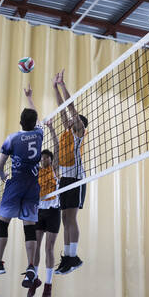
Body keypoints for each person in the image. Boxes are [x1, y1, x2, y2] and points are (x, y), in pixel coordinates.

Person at [0, 84, 43, 290]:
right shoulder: (39, 134)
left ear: (20, 122)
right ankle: (31, 267)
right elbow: (35, 115)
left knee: (2, 223)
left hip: (15, 183)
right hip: (33, 185)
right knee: (30, 228)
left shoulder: (12, 138)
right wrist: (30, 98)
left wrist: (3, 177)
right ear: (34, 122)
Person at [52, 70, 88, 275]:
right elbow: (62, 108)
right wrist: (53, 87)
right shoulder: (67, 132)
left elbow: (71, 107)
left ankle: (73, 256)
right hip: (64, 179)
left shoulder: (78, 133)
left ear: (79, 126)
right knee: (65, 218)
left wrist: (63, 85)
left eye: (73, 122)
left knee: (71, 218)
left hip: (76, 179)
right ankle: (68, 258)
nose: (68, 121)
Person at [28, 120, 60, 297]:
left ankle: (48, 285)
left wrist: (50, 128)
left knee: (49, 248)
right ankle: (34, 281)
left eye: (46, 157)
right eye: (42, 158)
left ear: (51, 159)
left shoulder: (55, 169)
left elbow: (55, 146)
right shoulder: (37, 171)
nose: (44, 159)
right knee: (36, 247)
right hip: (39, 212)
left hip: (53, 212)